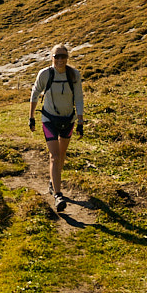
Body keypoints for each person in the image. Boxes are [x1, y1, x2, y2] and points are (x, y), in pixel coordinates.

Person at [28, 44, 84, 212]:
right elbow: (35, 93)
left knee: (62, 154)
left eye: (63, 56)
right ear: (51, 57)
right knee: (55, 155)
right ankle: (58, 195)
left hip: (68, 119)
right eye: (56, 56)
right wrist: (31, 117)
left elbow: (79, 97)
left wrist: (80, 121)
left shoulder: (74, 74)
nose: (60, 60)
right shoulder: (45, 74)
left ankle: (53, 183)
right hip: (49, 119)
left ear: (67, 57)